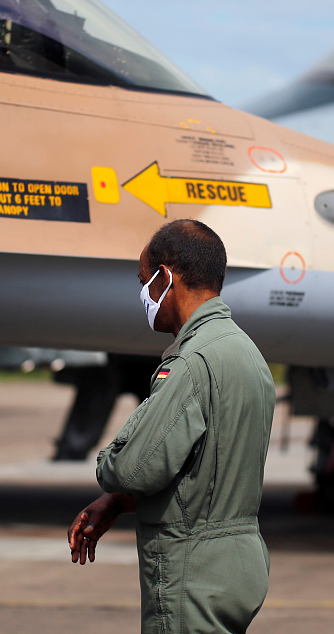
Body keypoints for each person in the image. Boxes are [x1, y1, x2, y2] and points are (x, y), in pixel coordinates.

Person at [68, 219, 276, 634]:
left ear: (166, 277)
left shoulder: (192, 362)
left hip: (192, 570)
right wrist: (118, 502)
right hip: (236, 564)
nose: (143, 295)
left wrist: (109, 470)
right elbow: (204, 478)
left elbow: (129, 467)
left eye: (144, 281)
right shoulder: (247, 354)